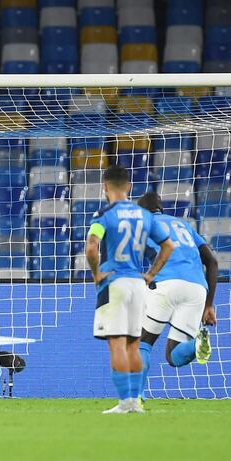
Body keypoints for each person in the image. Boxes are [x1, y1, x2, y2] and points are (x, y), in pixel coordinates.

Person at [85, 165, 175, 414]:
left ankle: (125, 402)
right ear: (129, 187)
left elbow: (92, 247)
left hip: (114, 282)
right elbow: (168, 246)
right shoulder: (145, 216)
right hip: (138, 284)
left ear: (104, 187)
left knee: (117, 343)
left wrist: (96, 274)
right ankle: (135, 401)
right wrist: (151, 274)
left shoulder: (103, 215)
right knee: (134, 344)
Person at [135, 192, 218, 400]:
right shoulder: (185, 226)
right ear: (161, 208)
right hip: (198, 290)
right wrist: (209, 305)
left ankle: (137, 395)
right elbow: (212, 262)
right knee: (174, 356)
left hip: (166, 284)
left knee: (143, 342)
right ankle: (196, 345)